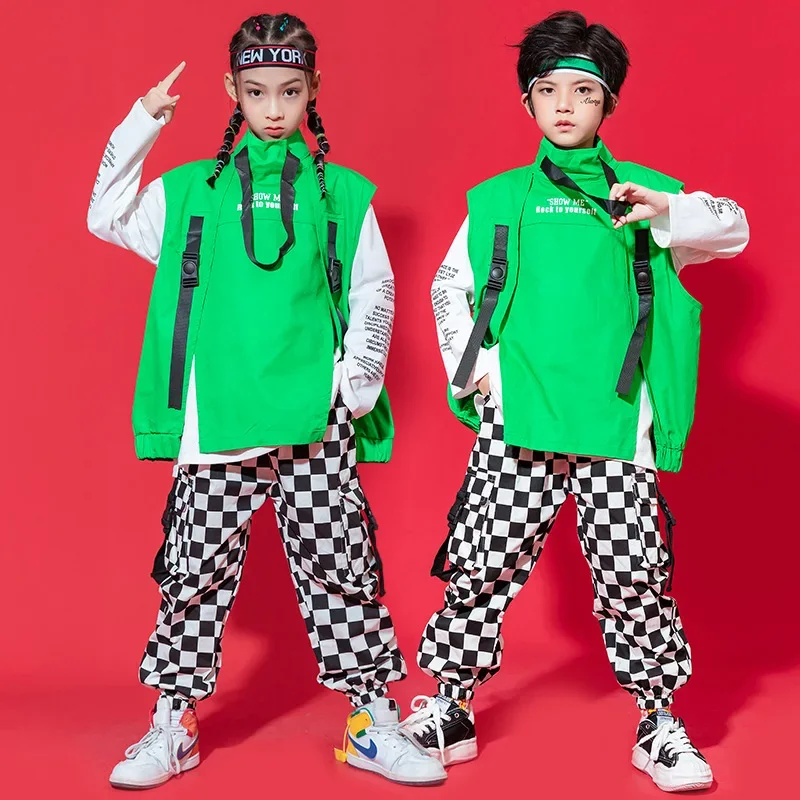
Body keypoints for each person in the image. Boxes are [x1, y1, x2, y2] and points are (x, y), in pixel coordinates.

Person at [87, 11, 445, 790]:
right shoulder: (193, 191)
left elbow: (375, 288)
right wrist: (143, 120)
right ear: (231, 90)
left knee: (342, 567)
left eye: (290, 90)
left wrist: (354, 382)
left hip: (315, 421)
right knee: (193, 572)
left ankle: (371, 722)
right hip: (216, 420)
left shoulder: (342, 193)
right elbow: (104, 216)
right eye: (256, 91)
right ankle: (172, 724)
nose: (274, 108)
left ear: (314, 89)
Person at [401, 10, 749, 793]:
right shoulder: (496, 200)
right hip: (518, 419)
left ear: (608, 102)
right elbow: (450, 285)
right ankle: (451, 708)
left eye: (584, 91)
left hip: (616, 422)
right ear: (527, 101)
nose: (565, 104)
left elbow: (735, 230)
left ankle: (658, 721)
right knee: (481, 563)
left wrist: (670, 211)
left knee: (633, 573)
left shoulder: (645, 195)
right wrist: (477, 370)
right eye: (549, 89)